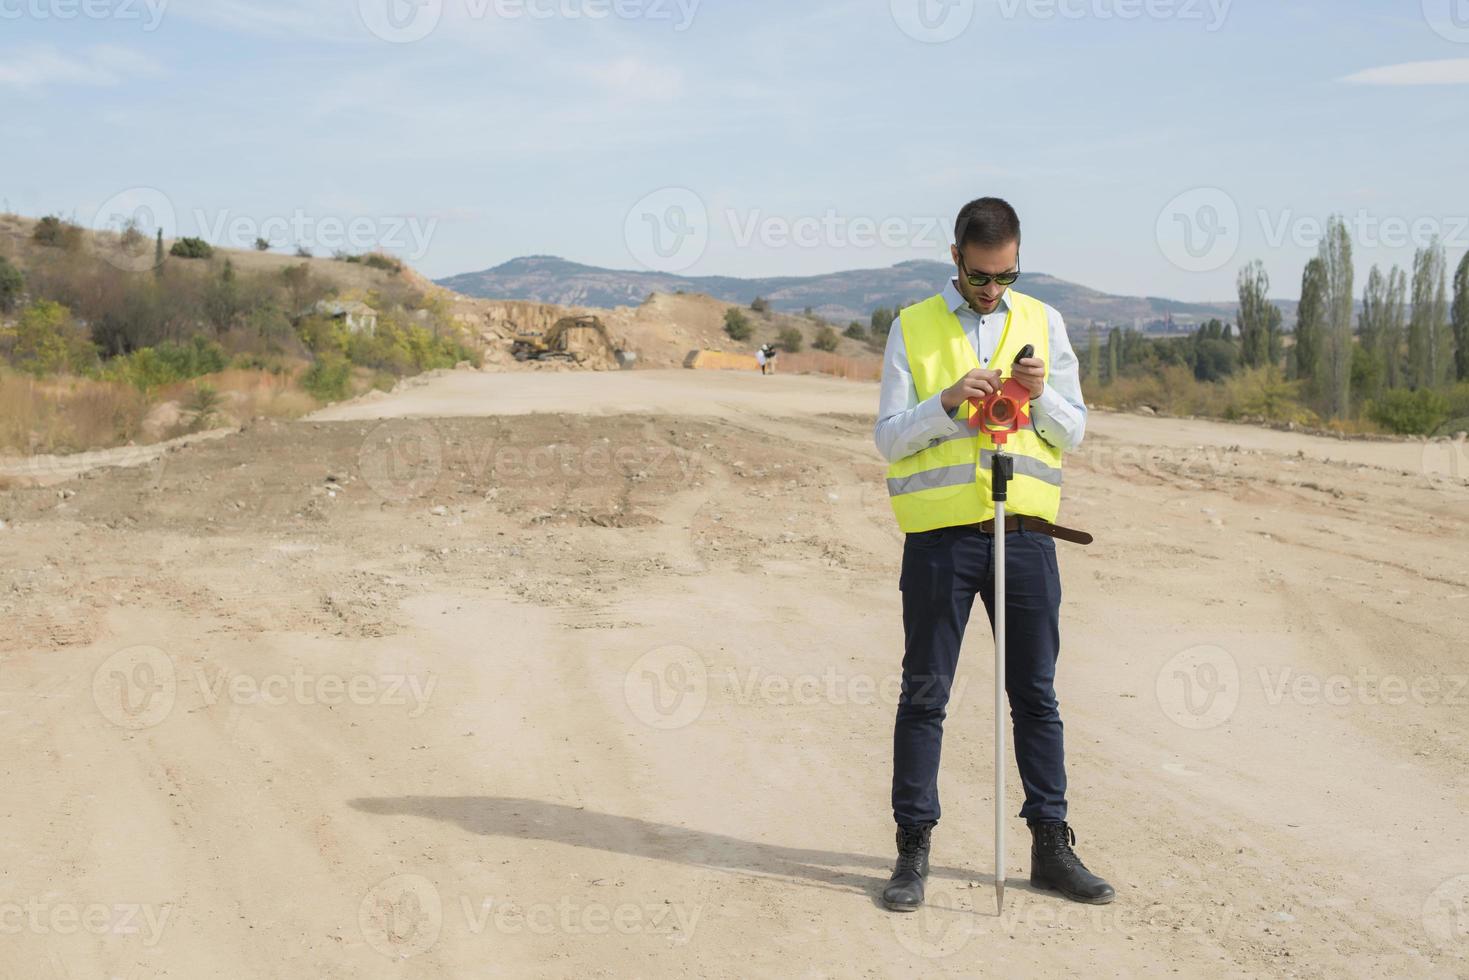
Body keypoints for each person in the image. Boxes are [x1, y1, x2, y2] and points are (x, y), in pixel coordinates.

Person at [872, 197, 1114, 911]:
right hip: (941, 543)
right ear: (955, 258)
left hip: (1028, 540)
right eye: (980, 277)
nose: (992, 291)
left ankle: (1051, 847)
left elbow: (1072, 434)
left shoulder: (1044, 322)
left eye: (1005, 276)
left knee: (1035, 697)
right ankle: (911, 851)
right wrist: (944, 402)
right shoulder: (911, 326)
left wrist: (1038, 399)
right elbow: (887, 439)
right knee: (924, 696)